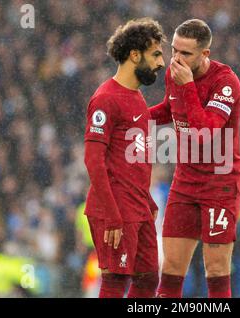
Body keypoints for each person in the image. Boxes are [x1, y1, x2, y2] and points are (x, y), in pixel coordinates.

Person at [149, 19, 240, 298]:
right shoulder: (175, 74)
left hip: (219, 184)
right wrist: (135, 115)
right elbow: (171, 108)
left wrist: (188, 86)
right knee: (171, 269)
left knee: (216, 271)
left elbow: (204, 133)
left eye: (185, 53)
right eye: (174, 50)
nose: (176, 58)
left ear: (205, 54)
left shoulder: (225, 83)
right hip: (185, 182)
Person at [83, 18, 165, 298]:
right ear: (134, 55)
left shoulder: (137, 98)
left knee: (148, 279)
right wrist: (113, 216)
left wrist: (148, 198)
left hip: (137, 206)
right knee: (116, 280)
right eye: (155, 54)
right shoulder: (105, 99)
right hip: (115, 209)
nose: (161, 62)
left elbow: (133, 159)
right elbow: (93, 160)